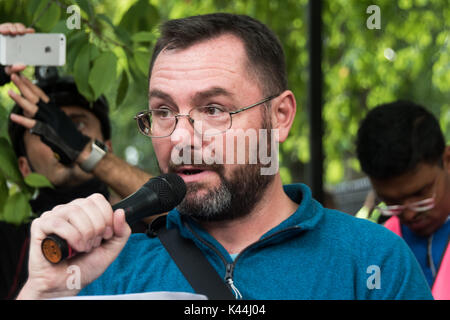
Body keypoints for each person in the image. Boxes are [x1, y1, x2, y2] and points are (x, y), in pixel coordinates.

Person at [17, 13, 432, 300]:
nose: (181, 137)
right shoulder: (104, 269)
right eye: (163, 112)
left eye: (214, 110)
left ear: (280, 116)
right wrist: (43, 291)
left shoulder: (373, 261)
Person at [0, 22, 152, 299]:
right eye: (43, 131)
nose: (62, 139)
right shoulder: (6, 246)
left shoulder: (149, 228)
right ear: (23, 167)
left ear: (108, 148)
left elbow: (186, 210)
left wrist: (82, 149)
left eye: (77, 126)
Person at [356, 100, 450, 299]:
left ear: (447, 160)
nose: (409, 214)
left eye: (420, 194)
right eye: (391, 202)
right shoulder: (376, 251)